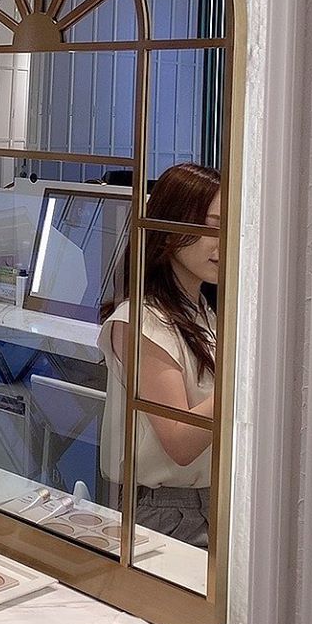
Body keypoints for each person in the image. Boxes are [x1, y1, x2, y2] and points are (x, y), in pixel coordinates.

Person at [97, 162, 219, 547]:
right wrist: (247, 379)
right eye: (213, 226)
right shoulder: (140, 321)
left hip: (209, 504)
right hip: (165, 514)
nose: (224, 241)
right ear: (170, 228)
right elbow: (180, 442)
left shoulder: (203, 313)